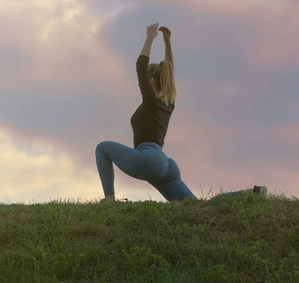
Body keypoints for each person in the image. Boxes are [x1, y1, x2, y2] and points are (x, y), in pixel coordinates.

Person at [95, 23, 266, 202]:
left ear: (151, 80)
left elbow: (140, 67)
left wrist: (150, 38)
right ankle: (252, 192)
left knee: (102, 148)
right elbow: (169, 72)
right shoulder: (168, 102)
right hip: (167, 167)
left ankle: (109, 202)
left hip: (149, 159)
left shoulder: (151, 101)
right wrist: (168, 43)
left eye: (147, 79)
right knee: (196, 207)